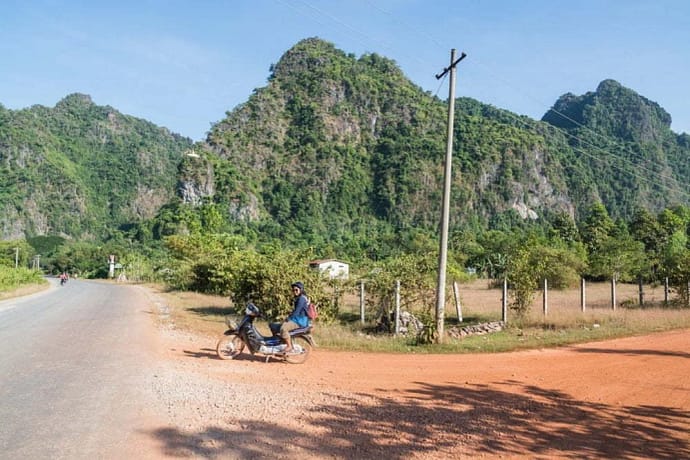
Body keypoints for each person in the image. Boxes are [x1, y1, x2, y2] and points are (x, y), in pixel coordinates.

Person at [280, 281, 309, 353]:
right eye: (293, 290)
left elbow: (297, 311)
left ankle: (289, 346)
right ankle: (282, 343)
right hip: (297, 319)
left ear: (301, 290)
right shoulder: (299, 298)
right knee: (276, 326)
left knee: (283, 328)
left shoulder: (301, 299)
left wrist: (288, 318)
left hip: (300, 321)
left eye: (296, 290)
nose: (294, 291)